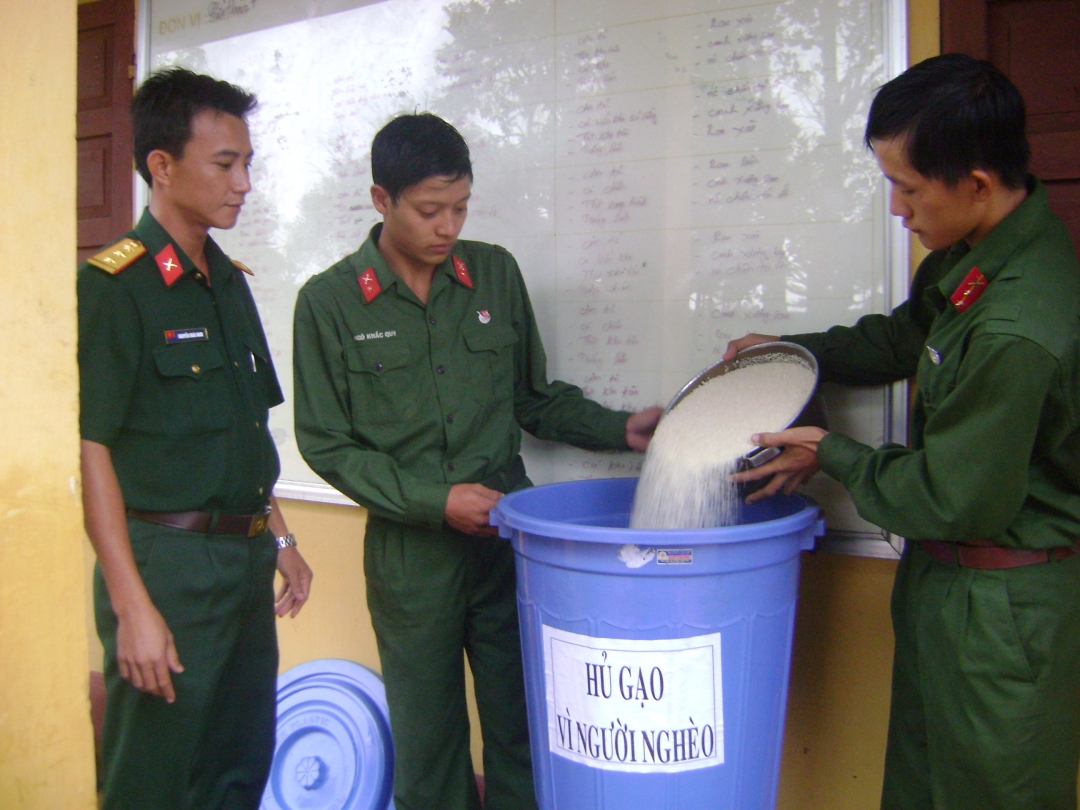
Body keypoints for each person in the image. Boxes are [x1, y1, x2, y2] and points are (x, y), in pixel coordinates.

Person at [726, 54, 1080, 809]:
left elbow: (956, 497)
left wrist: (832, 453)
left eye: (908, 188)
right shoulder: (972, 260)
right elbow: (899, 341)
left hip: (1003, 610)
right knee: (920, 788)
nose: (896, 209)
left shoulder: (1020, 325)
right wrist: (791, 355)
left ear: (976, 184)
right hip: (947, 589)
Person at [292, 113, 661, 810]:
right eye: (430, 211)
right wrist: (437, 500)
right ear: (382, 201)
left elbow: (534, 399)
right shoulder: (329, 302)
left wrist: (624, 429)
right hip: (411, 559)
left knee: (524, 729)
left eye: (460, 208)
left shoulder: (493, 274)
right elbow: (326, 444)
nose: (447, 227)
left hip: (507, 544)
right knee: (429, 746)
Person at [79, 68, 313, 810]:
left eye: (248, 163)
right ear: (162, 165)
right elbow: (92, 451)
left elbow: (241, 432)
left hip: (241, 565)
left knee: (236, 767)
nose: (243, 182)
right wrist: (132, 606)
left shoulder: (231, 283)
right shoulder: (115, 287)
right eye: (225, 163)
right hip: (166, 568)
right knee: (154, 777)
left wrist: (280, 539)